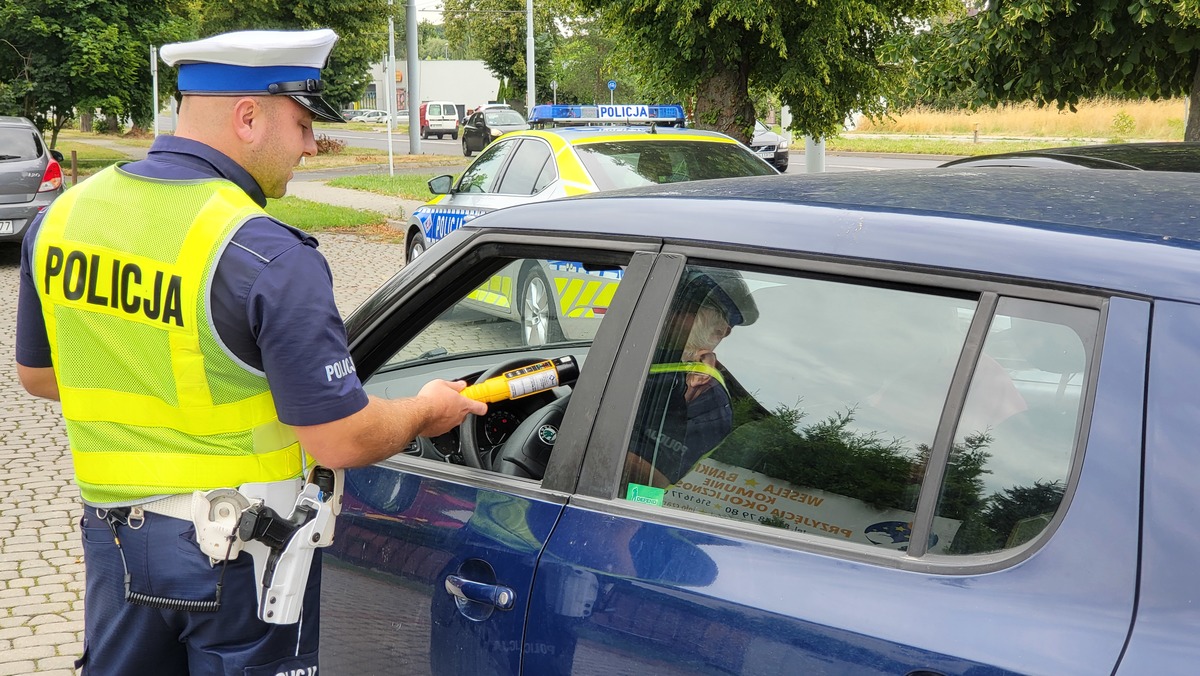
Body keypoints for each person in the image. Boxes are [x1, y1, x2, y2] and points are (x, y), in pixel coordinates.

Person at [13, 28, 486, 675]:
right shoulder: (266, 251)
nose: (311, 145)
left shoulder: (62, 219)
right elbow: (340, 438)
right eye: (303, 124)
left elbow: (39, 374)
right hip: (238, 558)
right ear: (247, 117)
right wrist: (427, 410)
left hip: (115, 543)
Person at [623, 267, 758, 489]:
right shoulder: (648, 357)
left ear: (720, 331)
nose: (668, 312)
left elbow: (652, 478)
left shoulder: (708, 397)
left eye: (684, 306)